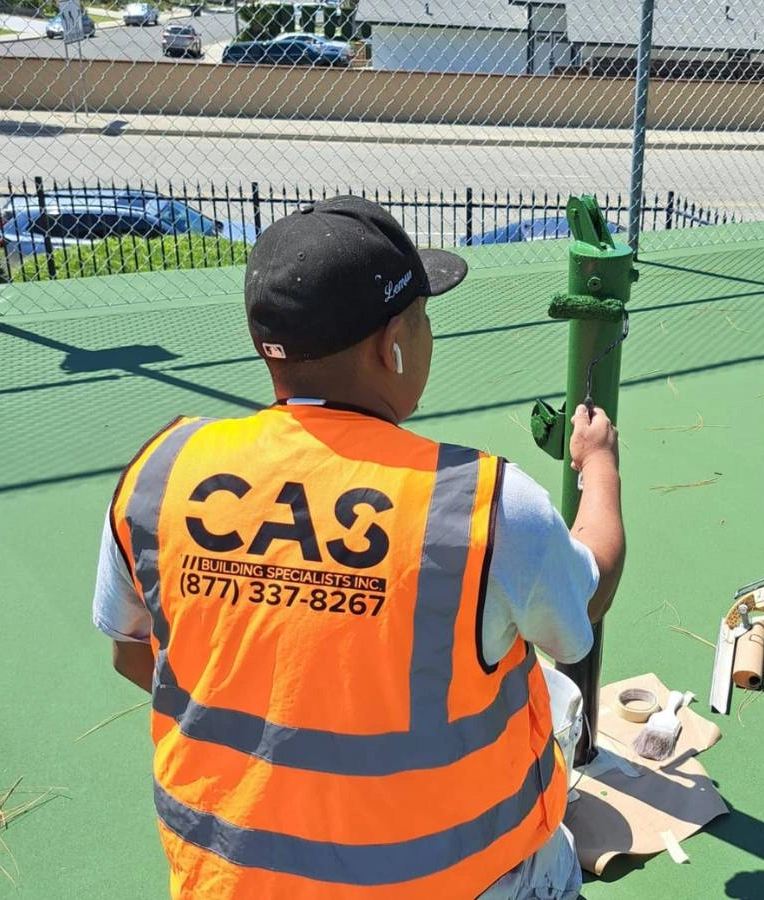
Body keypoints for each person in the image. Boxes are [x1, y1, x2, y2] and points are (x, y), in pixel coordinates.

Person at [91, 196, 626, 899]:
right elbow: (587, 597)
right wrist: (599, 466)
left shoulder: (161, 470)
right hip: (459, 880)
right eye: (423, 318)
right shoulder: (481, 503)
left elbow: (132, 654)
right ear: (390, 345)